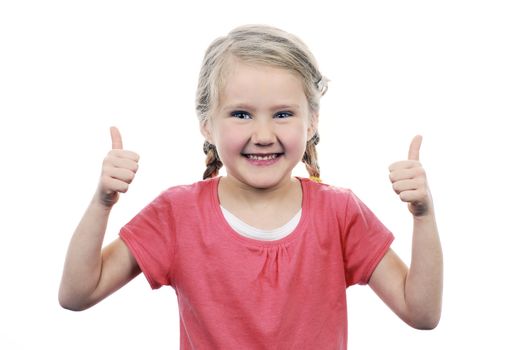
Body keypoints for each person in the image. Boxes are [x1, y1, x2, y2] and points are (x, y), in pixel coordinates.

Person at [59, 24, 443, 349]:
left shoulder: (340, 212)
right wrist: (102, 202)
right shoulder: (179, 213)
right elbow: (77, 294)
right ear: (207, 124)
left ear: (311, 123)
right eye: (241, 114)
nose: (263, 134)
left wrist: (423, 215)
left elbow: (421, 313)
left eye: (282, 114)